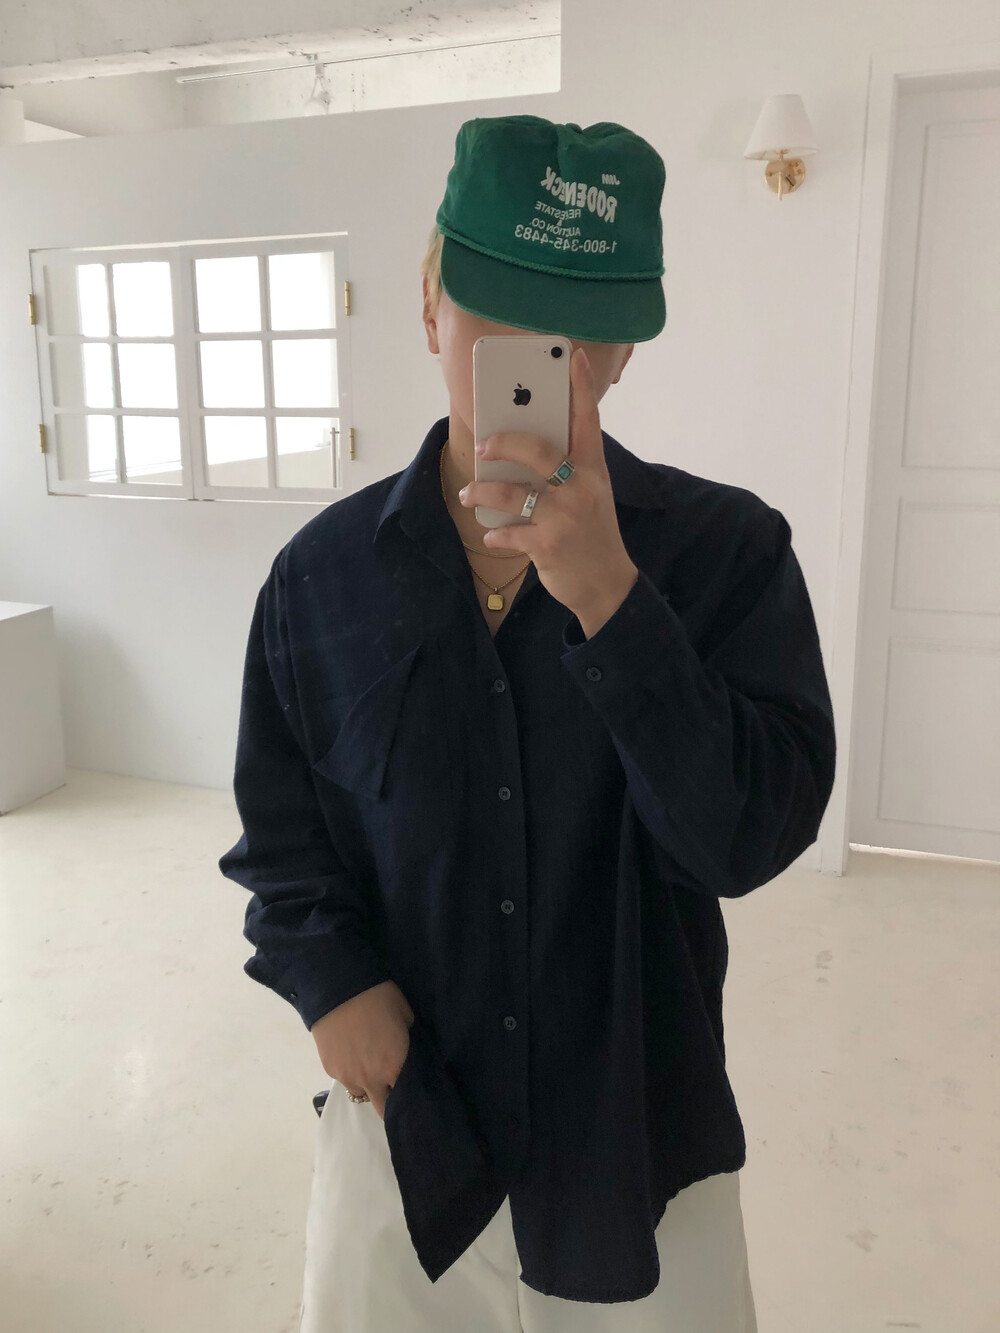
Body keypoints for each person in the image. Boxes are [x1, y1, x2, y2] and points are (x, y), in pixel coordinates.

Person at [219, 114, 836, 1332]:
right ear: (428, 306)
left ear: (622, 352)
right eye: (495, 312)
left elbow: (746, 840)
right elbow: (282, 826)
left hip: (640, 1147)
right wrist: (332, 984)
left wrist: (610, 597)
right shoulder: (320, 577)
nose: (536, 358)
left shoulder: (727, 555)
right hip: (402, 1129)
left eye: (577, 328)